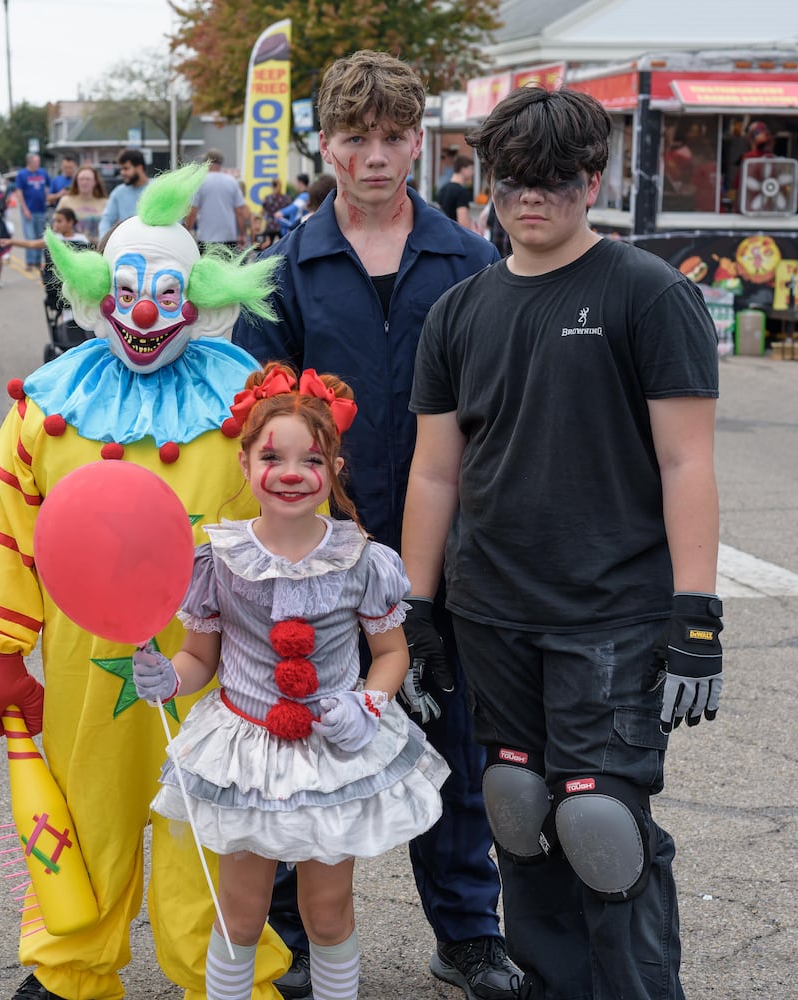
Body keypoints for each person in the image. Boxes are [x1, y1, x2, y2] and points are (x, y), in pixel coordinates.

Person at [0, 163, 293, 1000]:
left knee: (212, 827)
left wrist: (300, 634)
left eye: (164, 295)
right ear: (100, 293)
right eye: (127, 292)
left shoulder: (246, 405)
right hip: (84, 665)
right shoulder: (48, 407)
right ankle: (70, 970)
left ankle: (227, 976)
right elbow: (7, 525)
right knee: (81, 811)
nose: (142, 315)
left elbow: (287, 521)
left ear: (196, 300)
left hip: (220, 668)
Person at [402, 84, 721, 1000]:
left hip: (611, 614)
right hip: (490, 609)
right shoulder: (459, 311)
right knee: (517, 807)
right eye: (512, 181)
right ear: (489, 184)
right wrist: (415, 609)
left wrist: (697, 615)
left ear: (593, 182)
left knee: (600, 824)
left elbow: (687, 463)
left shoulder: (649, 295)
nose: (530, 199)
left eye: (553, 181)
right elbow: (435, 474)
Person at [233, 49, 518, 1000]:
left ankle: (468, 932)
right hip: (320, 555)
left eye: (395, 137)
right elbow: (260, 419)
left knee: (453, 741)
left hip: (447, 549)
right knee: (299, 736)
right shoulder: (288, 269)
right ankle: (292, 940)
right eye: (356, 138)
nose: (377, 158)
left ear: (418, 141)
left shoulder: (469, 260)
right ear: (326, 144)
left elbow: (498, 405)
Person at [131, 362, 447, 1000]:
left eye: (313, 459)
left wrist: (369, 702)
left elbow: (390, 653)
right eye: (272, 456)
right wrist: (168, 677)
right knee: (241, 913)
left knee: (326, 912)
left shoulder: (360, 558)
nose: (291, 472)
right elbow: (200, 659)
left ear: (335, 469)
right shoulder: (220, 559)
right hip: (248, 752)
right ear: (245, 464)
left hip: (332, 751)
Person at [188, 149, 249, 253]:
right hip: (228, 237)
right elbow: (240, 211)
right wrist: (242, 234)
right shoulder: (232, 181)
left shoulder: (200, 182)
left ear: (207, 162)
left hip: (206, 238)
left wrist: (187, 230)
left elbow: (193, 210)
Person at [98, 147, 150, 240]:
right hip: (127, 243)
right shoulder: (119, 192)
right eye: (121, 169)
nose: (122, 173)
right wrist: (104, 242)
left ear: (139, 168)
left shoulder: (156, 188)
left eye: (126, 168)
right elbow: (107, 220)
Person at [15, 152, 50, 269]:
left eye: (38, 162)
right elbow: (19, 192)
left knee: (40, 236)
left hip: (41, 209)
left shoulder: (42, 172)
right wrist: (24, 208)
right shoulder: (22, 174)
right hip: (29, 210)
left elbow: (48, 187)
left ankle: (37, 261)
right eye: (36, 162)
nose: (38, 164)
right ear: (29, 162)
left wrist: (48, 198)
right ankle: (29, 262)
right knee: (30, 236)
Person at [55, 165, 108, 242]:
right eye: (81, 179)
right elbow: (56, 227)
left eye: (88, 179)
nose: (84, 182)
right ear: (76, 181)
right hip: (71, 246)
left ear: (95, 182)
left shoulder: (105, 203)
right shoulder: (65, 201)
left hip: (98, 246)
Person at [436, 154, 476, 229]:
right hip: (456, 233)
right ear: (463, 169)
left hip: (444, 230)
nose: (472, 173)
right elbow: (463, 223)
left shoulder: (443, 189)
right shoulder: (461, 192)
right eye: (471, 169)